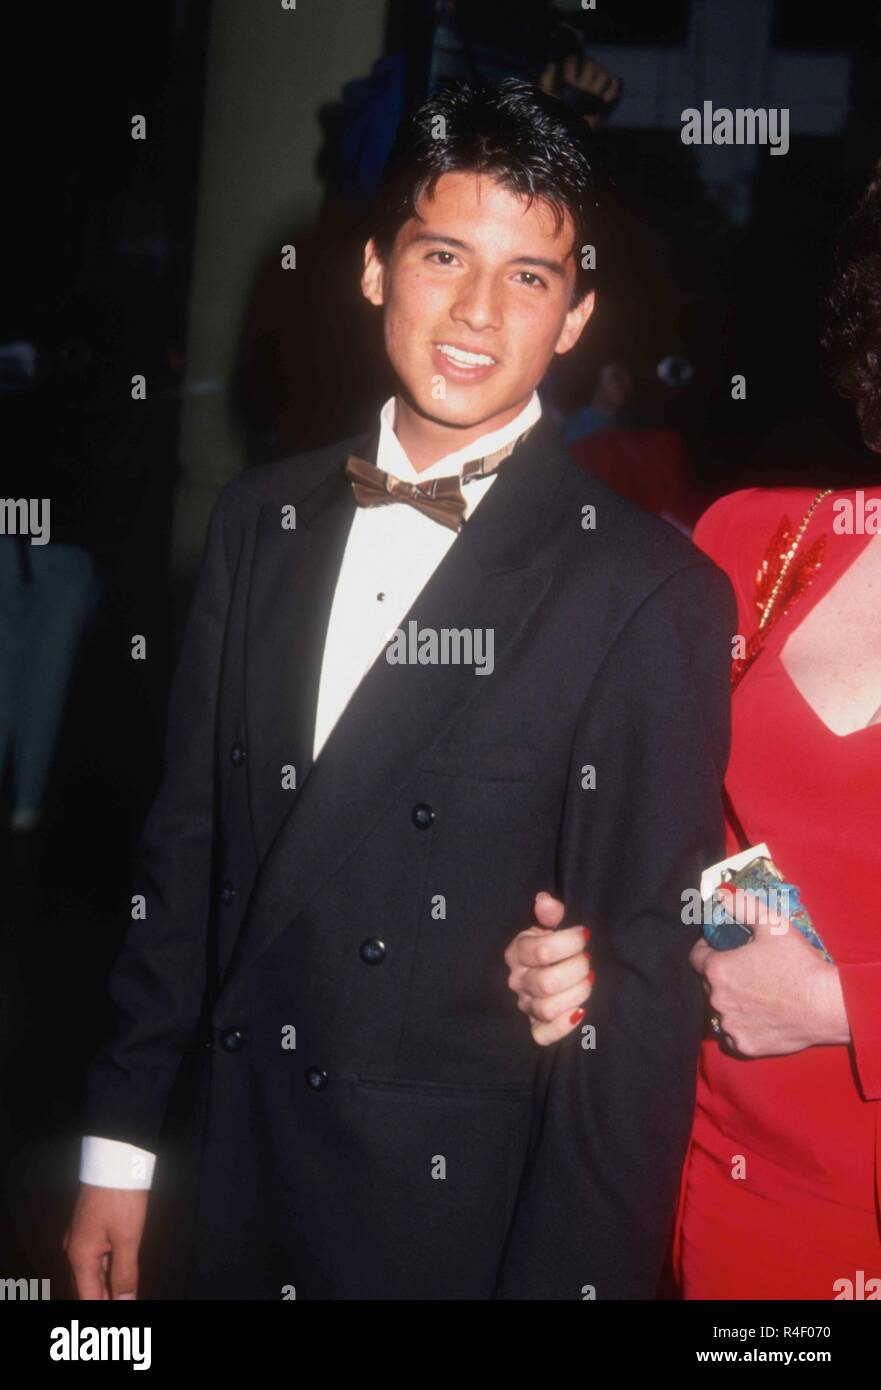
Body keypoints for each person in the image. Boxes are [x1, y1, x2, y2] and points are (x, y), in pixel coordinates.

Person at [65, 78, 734, 1301]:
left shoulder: (649, 593)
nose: (478, 311)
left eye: (529, 277)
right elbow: (184, 864)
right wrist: (120, 1146)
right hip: (229, 1180)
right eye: (443, 255)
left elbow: (634, 1020)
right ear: (374, 269)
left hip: (443, 1225)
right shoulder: (257, 521)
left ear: (575, 315)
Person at [503, 161, 881, 1299]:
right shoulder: (755, 542)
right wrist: (559, 952)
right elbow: (648, 840)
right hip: (693, 1184)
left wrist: (835, 1004)